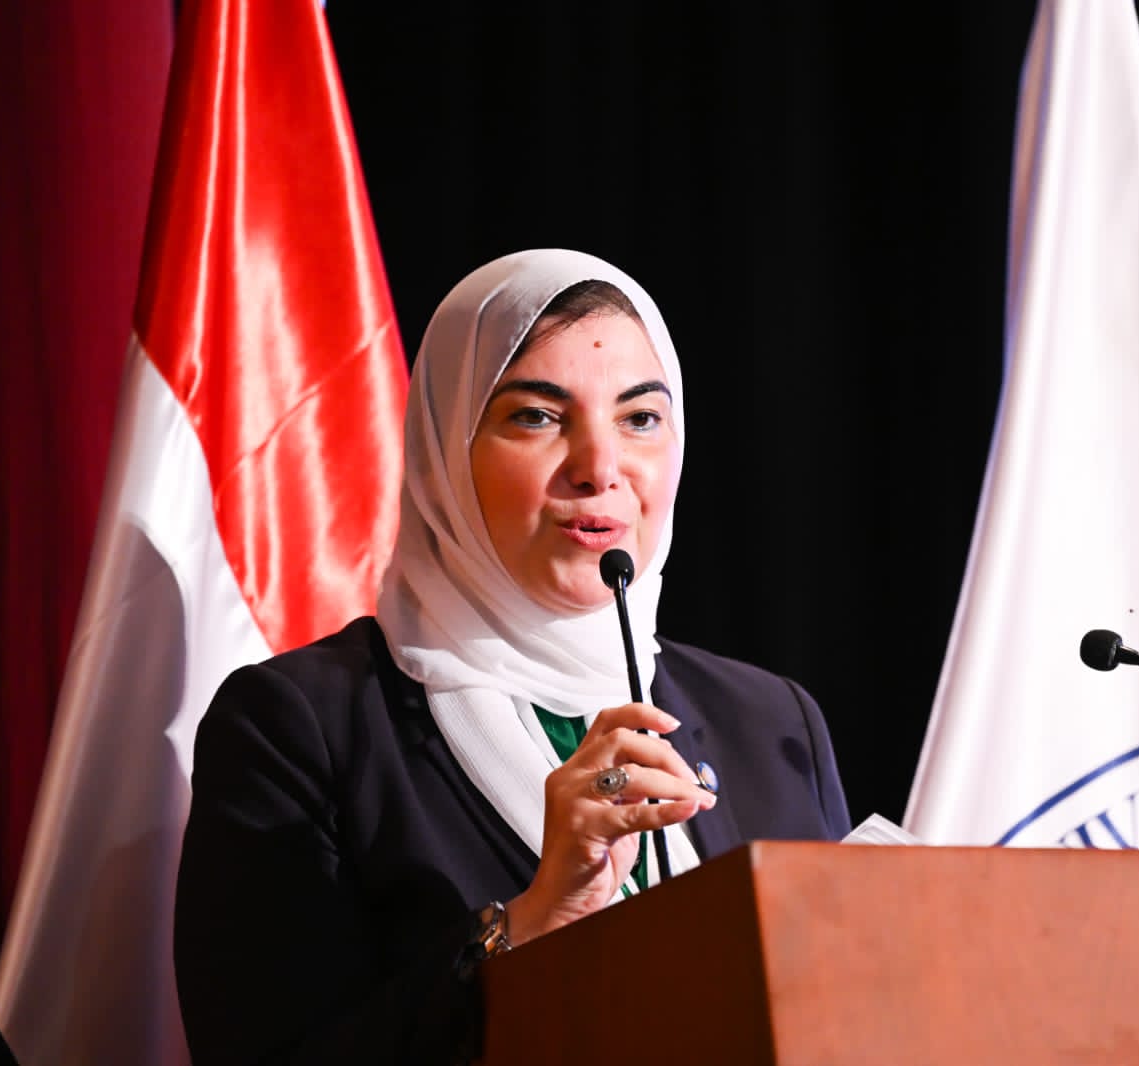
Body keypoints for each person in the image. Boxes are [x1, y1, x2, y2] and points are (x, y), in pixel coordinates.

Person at [173, 248, 851, 1065]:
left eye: (639, 418)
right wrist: (530, 922)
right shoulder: (300, 729)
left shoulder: (771, 722)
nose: (600, 469)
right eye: (537, 417)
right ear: (445, 450)